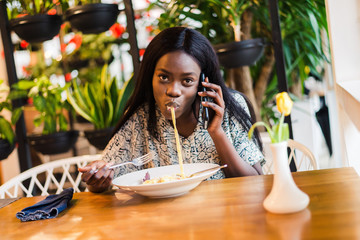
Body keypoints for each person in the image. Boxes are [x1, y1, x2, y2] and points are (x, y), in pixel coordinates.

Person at [79, 27, 265, 193]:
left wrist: (217, 133)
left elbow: (256, 181)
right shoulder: (142, 117)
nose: (173, 91)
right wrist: (98, 179)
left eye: (187, 81)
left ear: (202, 83)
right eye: (164, 77)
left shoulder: (228, 107)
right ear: (150, 76)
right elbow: (105, 177)